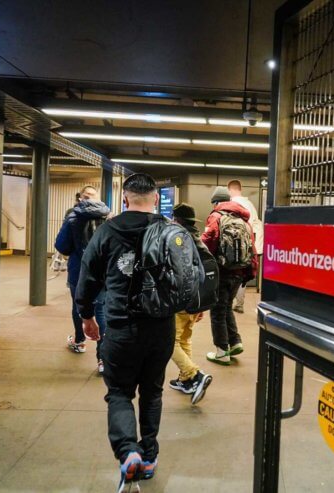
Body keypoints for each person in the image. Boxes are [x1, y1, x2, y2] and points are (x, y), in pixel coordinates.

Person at [76, 173, 174, 489]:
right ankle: (149, 455)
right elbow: (194, 271)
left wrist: (86, 315)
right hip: (161, 326)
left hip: (121, 325)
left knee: (119, 392)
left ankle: (128, 451)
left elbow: (88, 276)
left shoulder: (107, 231)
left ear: (124, 199)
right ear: (155, 199)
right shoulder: (170, 230)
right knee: (153, 391)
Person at [54, 185, 109, 373]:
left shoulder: (72, 216)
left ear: (80, 198)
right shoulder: (107, 216)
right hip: (102, 272)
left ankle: (79, 341)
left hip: (78, 270)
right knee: (100, 311)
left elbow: (62, 246)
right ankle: (103, 360)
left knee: (78, 307)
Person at [201, 186, 257, 365]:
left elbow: (207, 242)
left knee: (217, 311)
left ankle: (221, 351)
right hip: (239, 273)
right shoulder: (243, 220)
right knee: (226, 308)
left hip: (221, 272)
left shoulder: (216, 217)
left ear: (216, 202)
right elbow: (252, 247)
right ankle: (235, 342)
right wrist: (250, 272)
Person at [168, 203, 213, 405]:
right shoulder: (198, 239)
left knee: (169, 341)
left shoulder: (178, 240)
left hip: (181, 300)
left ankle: (195, 374)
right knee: (185, 338)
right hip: (196, 299)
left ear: (176, 220)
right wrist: (201, 305)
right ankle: (185, 380)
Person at [227, 180, 263, 314]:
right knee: (241, 274)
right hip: (249, 245)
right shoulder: (250, 205)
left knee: (231, 273)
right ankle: (239, 303)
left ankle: (229, 301)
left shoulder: (232, 204)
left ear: (230, 190)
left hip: (235, 246)